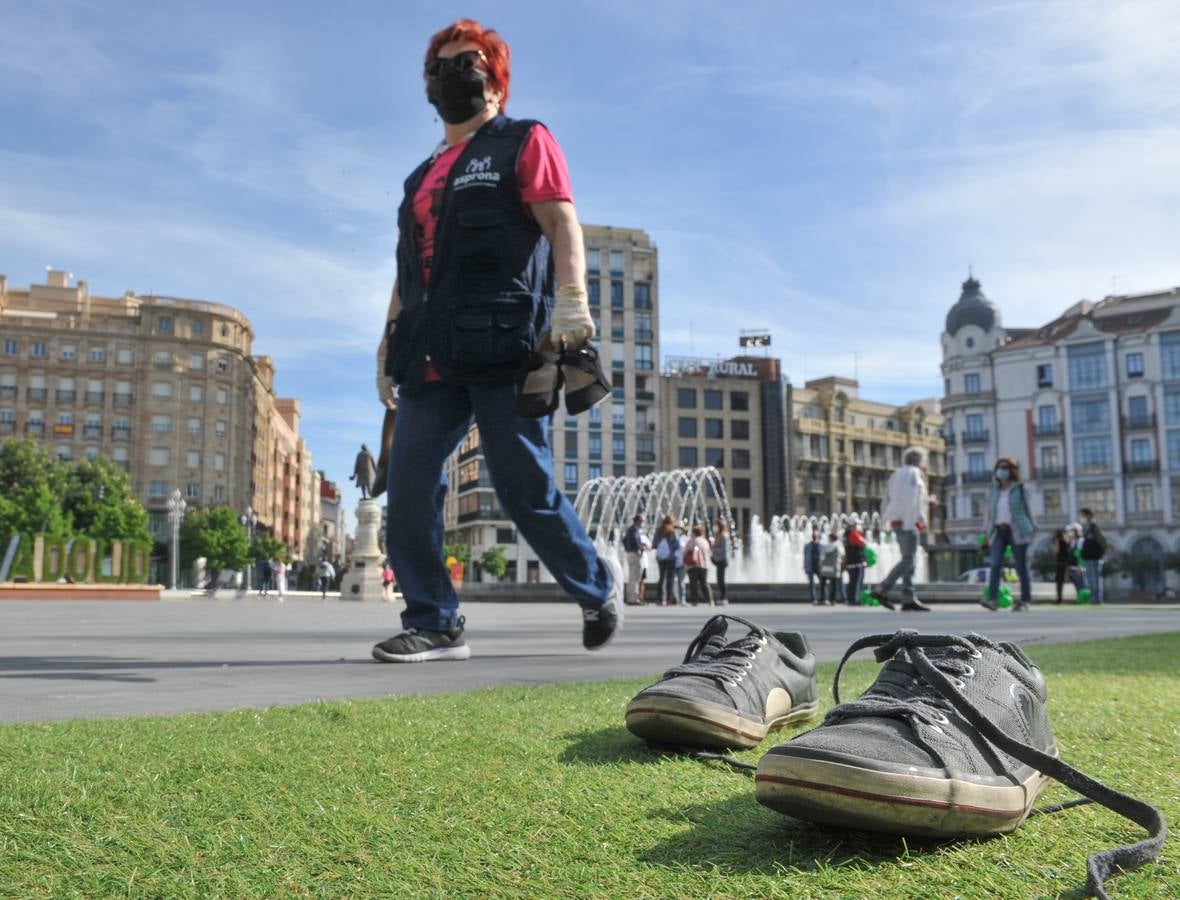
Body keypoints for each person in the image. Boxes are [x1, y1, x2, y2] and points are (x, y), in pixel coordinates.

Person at [370, 20, 623, 663]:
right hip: (428, 351)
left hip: (502, 343)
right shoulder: (420, 176)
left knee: (521, 485)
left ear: (496, 78)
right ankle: (435, 621)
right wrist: (386, 342)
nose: (455, 74)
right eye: (443, 65)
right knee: (409, 484)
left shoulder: (523, 141)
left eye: (470, 62)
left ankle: (597, 588)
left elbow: (561, 219)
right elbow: (408, 270)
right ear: (427, 84)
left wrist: (573, 301)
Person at [870, 446, 932, 612]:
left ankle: (908, 598)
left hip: (898, 520)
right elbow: (913, 499)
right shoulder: (914, 474)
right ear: (919, 460)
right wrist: (918, 519)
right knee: (908, 560)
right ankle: (881, 589)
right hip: (907, 521)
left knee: (909, 560)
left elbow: (887, 499)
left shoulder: (896, 474)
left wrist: (886, 520)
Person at [981, 457, 1037, 612]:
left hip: (1017, 530)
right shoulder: (993, 489)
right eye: (999, 467)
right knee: (995, 564)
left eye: (1005, 467)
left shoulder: (1019, 488)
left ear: (1012, 471)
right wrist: (985, 532)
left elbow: (1029, 510)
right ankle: (992, 600)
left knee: (1021, 567)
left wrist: (1032, 529)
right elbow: (989, 513)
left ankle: (1025, 601)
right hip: (998, 531)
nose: (1001, 471)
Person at [1079, 507, 1108, 605]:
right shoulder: (1087, 527)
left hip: (1094, 557)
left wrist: (1102, 553)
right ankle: (1094, 599)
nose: (1081, 518)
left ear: (1088, 516)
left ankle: (1097, 600)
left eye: (1082, 515)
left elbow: (1102, 541)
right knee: (1091, 579)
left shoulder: (1094, 527)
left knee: (1095, 579)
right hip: (1088, 557)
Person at [621, 514, 651, 606]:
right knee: (636, 577)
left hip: (630, 553)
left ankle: (630, 598)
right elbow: (635, 540)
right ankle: (634, 599)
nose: (643, 523)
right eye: (642, 521)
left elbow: (624, 540)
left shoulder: (630, 530)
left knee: (631, 577)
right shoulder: (634, 530)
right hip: (635, 554)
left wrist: (627, 548)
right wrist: (640, 548)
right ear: (638, 521)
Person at [683, 524, 714, 607]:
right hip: (704, 565)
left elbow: (685, 552)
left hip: (692, 565)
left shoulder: (691, 541)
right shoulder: (705, 541)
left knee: (693, 584)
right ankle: (710, 600)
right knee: (704, 583)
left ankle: (695, 600)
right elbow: (709, 553)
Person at [653, 515, 682, 606]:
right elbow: (677, 545)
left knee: (661, 578)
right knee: (670, 579)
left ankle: (659, 599)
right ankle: (669, 599)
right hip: (671, 558)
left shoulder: (658, 531)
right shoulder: (672, 532)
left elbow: (654, 544)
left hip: (660, 558)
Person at [1052, 527, 1081, 604]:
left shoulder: (1058, 540)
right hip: (1069, 562)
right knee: (1075, 580)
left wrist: (1055, 545)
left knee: (1059, 581)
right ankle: (1080, 596)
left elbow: (1056, 551)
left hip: (1060, 563)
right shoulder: (1068, 540)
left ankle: (1059, 599)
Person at [843, 516, 868, 606]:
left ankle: (850, 599)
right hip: (857, 562)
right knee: (857, 582)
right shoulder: (854, 534)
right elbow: (863, 543)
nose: (857, 526)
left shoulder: (845, 534)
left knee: (852, 582)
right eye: (856, 524)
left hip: (850, 562)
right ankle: (855, 599)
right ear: (852, 525)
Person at [817, 530, 843, 606]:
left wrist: (820, 563)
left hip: (826, 567)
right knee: (833, 584)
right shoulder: (839, 546)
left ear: (831, 538)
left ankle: (823, 598)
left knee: (823, 583)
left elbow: (823, 556)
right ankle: (832, 600)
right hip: (835, 567)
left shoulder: (829, 545)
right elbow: (842, 556)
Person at [711, 522, 730, 605]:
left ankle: (723, 597)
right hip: (718, 560)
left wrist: (714, 549)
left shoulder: (723, 536)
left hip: (722, 560)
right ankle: (722, 596)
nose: (715, 527)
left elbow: (724, 549)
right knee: (719, 579)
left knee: (721, 579)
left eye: (716, 525)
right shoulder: (718, 536)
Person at [802, 530, 823, 604]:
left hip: (819, 567)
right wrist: (805, 566)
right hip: (810, 566)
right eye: (813, 535)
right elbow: (805, 556)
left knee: (822, 583)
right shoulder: (807, 546)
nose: (814, 536)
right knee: (812, 583)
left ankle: (823, 597)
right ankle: (813, 598)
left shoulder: (822, 546)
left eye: (816, 535)